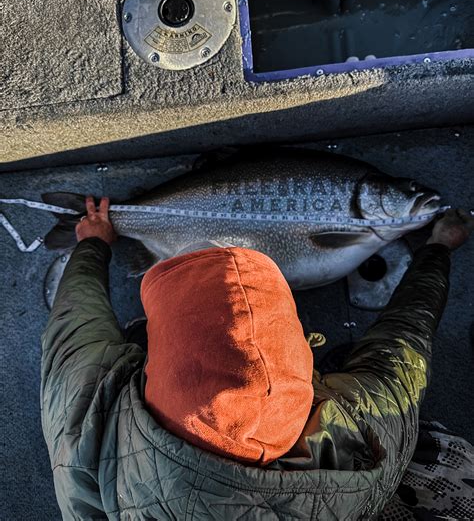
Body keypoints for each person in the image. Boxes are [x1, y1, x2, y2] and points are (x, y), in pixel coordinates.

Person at [40, 196, 474, 520]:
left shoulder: (84, 412)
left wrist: (92, 243)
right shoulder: (370, 433)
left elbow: (74, 322)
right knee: (357, 358)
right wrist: (436, 249)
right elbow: (405, 338)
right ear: (302, 355)